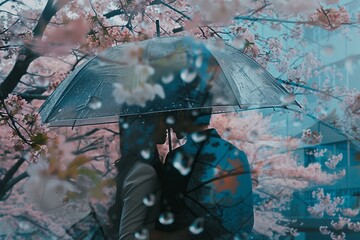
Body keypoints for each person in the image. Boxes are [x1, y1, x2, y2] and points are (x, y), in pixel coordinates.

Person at [158, 110, 254, 239]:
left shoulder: (177, 158)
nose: (170, 126)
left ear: (181, 114)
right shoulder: (237, 155)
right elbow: (245, 216)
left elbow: (167, 215)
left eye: (170, 118)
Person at [107, 114, 167, 240]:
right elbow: (129, 236)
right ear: (149, 124)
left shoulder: (137, 166)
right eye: (162, 119)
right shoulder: (144, 171)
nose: (167, 125)